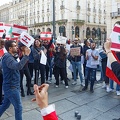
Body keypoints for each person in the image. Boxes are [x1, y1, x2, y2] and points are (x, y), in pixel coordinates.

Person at [0, 40, 30, 120]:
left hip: (12, 86)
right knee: (18, 108)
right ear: (10, 48)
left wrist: (23, 53)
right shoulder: (7, 58)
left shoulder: (11, 56)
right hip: (11, 87)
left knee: (5, 105)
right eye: (14, 46)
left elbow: (18, 61)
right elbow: (18, 66)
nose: (17, 47)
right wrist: (26, 56)